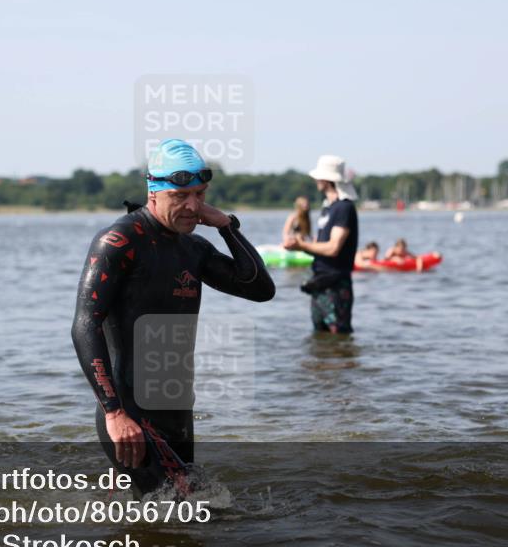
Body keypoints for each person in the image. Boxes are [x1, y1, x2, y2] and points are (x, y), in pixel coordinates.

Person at [71, 139, 275, 493]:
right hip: (129, 411)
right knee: (191, 511)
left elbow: (260, 288)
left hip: (177, 409)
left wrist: (227, 226)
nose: (193, 206)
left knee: (170, 528)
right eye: (180, 196)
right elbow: (84, 326)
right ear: (154, 191)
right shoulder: (119, 242)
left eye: (200, 194)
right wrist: (114, 413)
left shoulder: (193, 248)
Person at [284, 155, 359, 333]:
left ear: (328, 179)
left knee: (339, 335)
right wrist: (300, 243)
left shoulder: (344, 208)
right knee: (319, 335)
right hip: (319, 281)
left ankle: (344, 362)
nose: (316, 180)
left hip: (336, 283)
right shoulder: (328, 208)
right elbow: (320, 246)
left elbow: (333, 248)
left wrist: (302, 246)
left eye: (319, 176)